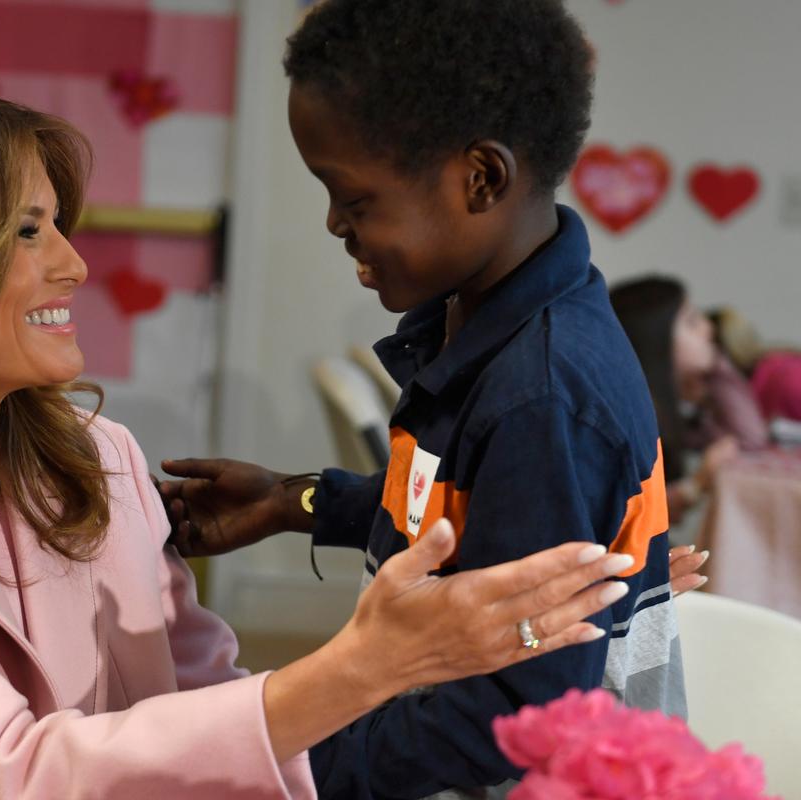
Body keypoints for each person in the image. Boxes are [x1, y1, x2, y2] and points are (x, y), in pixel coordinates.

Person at [0, 92, 639, 800]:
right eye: (29, 231)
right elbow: (2, 777)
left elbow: (204, 700)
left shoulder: (96, 458)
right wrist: (362, 665)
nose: (75, 263)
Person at [160, 1, 706, 797]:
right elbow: (460, 525)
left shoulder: (542, 397)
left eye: (353, 200)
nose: (334, 224)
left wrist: (291, 767)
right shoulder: (476, 325)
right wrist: (297, 500)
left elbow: (510, 717)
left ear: (479, 179)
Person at [611, 277, 768, 523]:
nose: (709, 328)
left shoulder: (676, 403)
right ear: (657, 337)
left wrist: (716, 365)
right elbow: (629, 517)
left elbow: (749, 437)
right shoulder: (632, 413)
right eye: (692, 321)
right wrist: (697, 484)